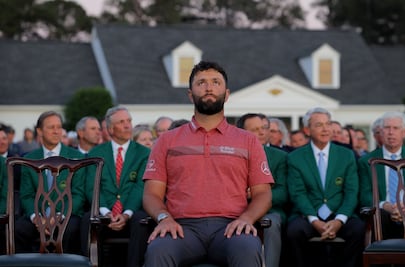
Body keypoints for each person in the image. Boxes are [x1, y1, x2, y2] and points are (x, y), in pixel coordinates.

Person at [142, 61, 273, 267]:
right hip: (182, 228)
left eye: (215, 82)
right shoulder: (167, 140)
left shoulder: (248, 140)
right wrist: (164, 218)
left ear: (227, 94)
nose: (209, 87)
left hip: (231, 227)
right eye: (201, 82)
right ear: (190, 94)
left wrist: (247, 218)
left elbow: (263, 194)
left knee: (248, 248)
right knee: (158, 250)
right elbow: (151, 194)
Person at [287, 107, 365, 267]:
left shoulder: (346, 155)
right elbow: (298, 193)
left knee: (358, 229)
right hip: (309, 214)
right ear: (307, 130)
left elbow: (351, 192)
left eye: (328, 124)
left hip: (339, 214)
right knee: (294, 231)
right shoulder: (295, 157)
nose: (325, 129)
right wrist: (315, 221)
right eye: (319, 125)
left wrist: (339, 220)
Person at [81, 105, 151, 267]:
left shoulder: (143, 153)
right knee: (87, 220)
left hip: (131, 212)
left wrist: (126, 214)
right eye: (121, 122)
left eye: (129, 121)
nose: (127, 125)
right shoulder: (95, 153)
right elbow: (92, 187)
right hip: (104, 212)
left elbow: (140, 186)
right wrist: (106, 212)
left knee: (141, 220)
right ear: (110, 129)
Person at [15, 111, 85, 254]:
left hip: (66, 214)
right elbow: (26, 195)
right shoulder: (29, 158)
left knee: (71, 229)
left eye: (59, 127)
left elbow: (79, 194)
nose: (56, 131)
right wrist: (37, 218)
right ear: (39, 131)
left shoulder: (76, 157)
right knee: (18, 229)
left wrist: (59, 216)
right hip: (37, 215)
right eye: (51, 127)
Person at [237, 113, 288, 267]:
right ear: (242, 133)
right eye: (255, 129)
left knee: (270, 223)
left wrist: (257, 195)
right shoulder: (233, 155)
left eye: (264, 128)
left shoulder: (281, 157)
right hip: (237, 209)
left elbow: (283, 193)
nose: (262, 132)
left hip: (271, 211)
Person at [358, 111, 405, 239]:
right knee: (377, 217)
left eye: (395, 128)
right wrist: (385, 205)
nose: (390, 132)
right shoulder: (367, 161)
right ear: (381, 132)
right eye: (387, 128)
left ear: (404, 132)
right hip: (382, 212)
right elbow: (364, 195)